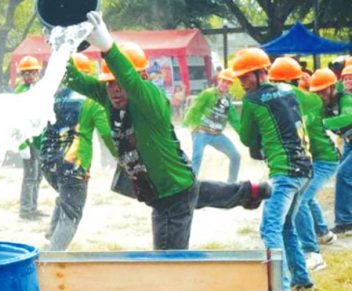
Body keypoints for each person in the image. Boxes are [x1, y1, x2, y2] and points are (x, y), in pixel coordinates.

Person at [79, 12, 270, 251]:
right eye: (109, 83)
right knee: (199, 193)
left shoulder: (151, 99)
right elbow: (74, 79)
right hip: (177, 181)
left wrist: (108, 46)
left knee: (168, 260)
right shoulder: (110, 99)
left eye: (120, 82)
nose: (115, 89)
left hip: (170, 195)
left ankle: (246, 193)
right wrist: (60, 45)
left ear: (144, 77)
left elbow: (130, 80)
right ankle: (248, 191)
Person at [232, 48, 314, 291]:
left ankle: (282, 289)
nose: (243, 82)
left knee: (269, 228)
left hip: (284, 172)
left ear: (260, 73)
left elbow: (246, 137)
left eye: (246, 77)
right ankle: (301, 277)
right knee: (287, 225)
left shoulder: (252, 100)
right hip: (305, 170)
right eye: (240, 78)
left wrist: (244, 127)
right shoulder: (289, 91)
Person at [268, 58, 339, 272]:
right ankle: (324, 233)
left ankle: (313, 253)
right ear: (297, 78)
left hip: (322, 159)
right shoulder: (311, 100)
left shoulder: (280, 99)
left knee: (303, 200)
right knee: (306, 197)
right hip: (316, 158)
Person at [41, 53, 116, 250]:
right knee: (72, 213)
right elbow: (107, 135)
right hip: (73, 164)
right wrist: (121, 156)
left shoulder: (54, 96)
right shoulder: (92, 100)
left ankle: (51, 233)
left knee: (65, 198)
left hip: (47, 161)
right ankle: (52, 257)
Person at [311, 68, 352, 236]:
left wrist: (322, 123)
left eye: (323, 90)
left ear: (332, 87)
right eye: (317, 91)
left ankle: (345, 222)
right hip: (349, 142)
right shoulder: (324, 103)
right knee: (345, 176)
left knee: (343, 174)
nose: (321, 94)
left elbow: (349, 117)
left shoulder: (346, 98)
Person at [183, 69, 241, 183]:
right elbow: (194, 108)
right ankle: (191, 184)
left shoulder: (227, 101)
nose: (225, 84)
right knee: (197, 157)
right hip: (201, 132)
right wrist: (189, 126)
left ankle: (232, 183)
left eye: (228, 82)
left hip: (217, 135)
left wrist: (245, 135)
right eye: (223, 81)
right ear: (219, 80)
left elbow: (235, 120)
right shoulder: (208, 93)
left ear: (231, 85)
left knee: (236, 156)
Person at [15, 55, 45, 220]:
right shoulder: (20, 92)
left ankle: (33, 206)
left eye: (32, 73)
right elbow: (16, 120)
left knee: (38, 175)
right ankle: (26, 210)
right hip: (28, 139)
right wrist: (22, 144)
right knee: (30, 176)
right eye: (26, 73)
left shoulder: (39, 89)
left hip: (40, 138)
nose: (30, 76)